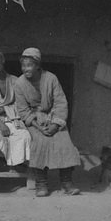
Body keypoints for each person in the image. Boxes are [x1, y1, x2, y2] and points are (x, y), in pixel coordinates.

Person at [14, 47, 81, 197]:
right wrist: (38, 127)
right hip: (34, 121)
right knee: (38, 141)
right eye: (23, 65)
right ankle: (41, 184)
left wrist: (55, 125)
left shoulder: (51, 78)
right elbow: (23, 110)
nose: (26, 69)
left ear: (38, 65)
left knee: (64, 140)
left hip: (52, 118)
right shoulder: (19, 84)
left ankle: (67, 182)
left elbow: (60, 103)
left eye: (29, 65)